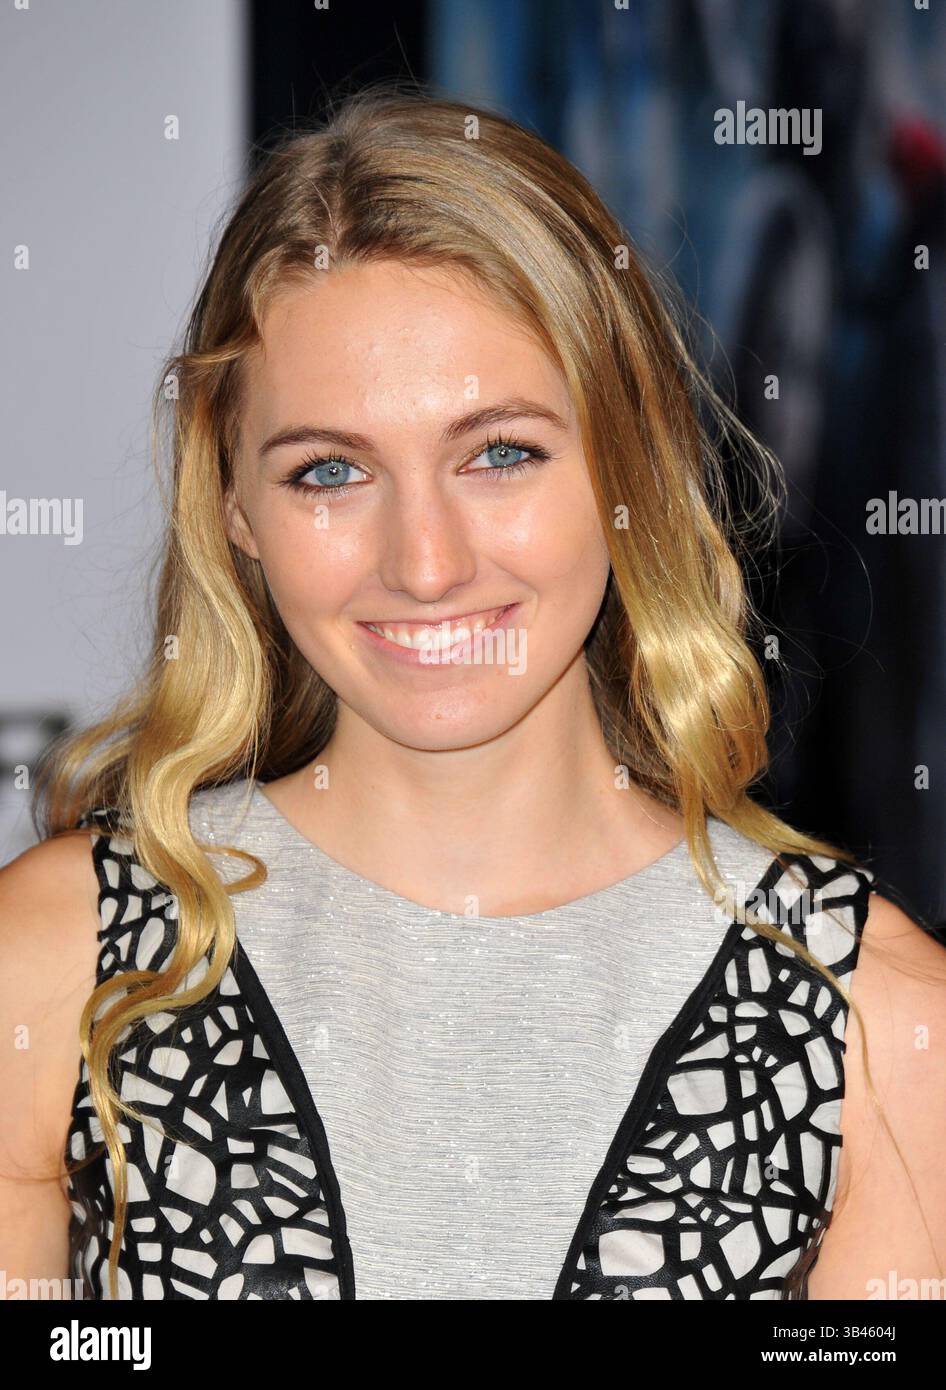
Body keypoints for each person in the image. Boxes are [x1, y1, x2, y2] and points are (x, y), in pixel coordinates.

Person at [1, 84, 944, 1303]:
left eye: (500, 452)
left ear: (627, 461)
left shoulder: (879, 1025)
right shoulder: (58, 966)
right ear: (233, 509)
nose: (427, 563)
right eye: (329, 471)